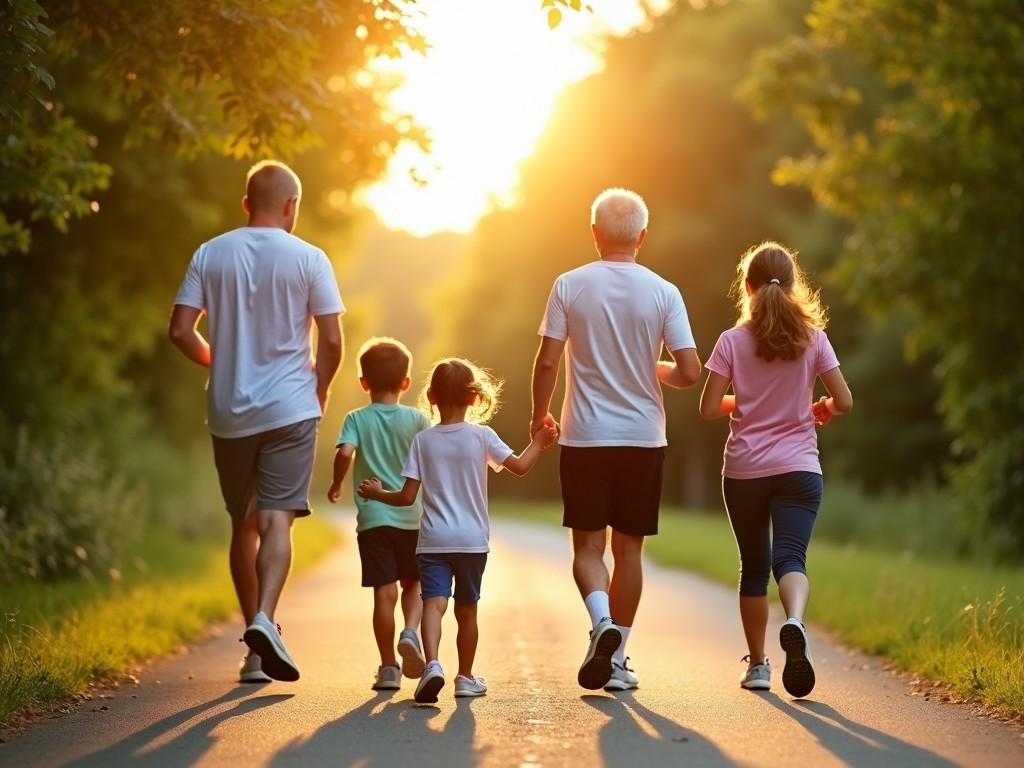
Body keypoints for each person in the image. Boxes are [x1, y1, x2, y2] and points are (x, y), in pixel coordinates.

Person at [169, 160, 344, 683]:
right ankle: (267, 619)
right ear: (292, 207)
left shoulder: (210, 252)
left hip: (229, 410)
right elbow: (332, 341)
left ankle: (253, 649)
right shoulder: (310, 258)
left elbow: (180, 330)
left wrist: (217, 361)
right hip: (291, 407)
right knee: (276, 520)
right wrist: (321, 386)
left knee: (243, 524)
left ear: (247, 203)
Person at [531, 188, 701, 692]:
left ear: (594, 233)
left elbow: (546, 360)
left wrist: (539, 415)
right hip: (643, 439)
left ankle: (600, 622)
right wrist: (654, 367)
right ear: (642, 237)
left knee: (587, 546)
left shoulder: (569, 285)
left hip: (584, 437)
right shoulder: (664, 291)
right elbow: (691, 371)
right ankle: (618, 657)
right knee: (629, 554)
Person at [698, 241, 853, 698]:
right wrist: (818, 405)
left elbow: (708, 408)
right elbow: (844, 401)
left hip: (745, 470)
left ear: (746, 287)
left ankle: (760, 666)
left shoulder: (731, 341)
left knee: (753, 567)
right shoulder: (814, 337)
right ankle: (795, 620)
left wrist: (745, 399)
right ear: (793, 285)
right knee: (791, 559)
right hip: (800, 469)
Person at [358, 358, 557, 703]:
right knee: (467, 610)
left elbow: (407, 498)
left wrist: (377, 494)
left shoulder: (423, 441)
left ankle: (433, 664)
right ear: (473, 397)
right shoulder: (482, 436)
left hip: (433, 541)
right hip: (471, 542)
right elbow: (521, 467)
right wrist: (539, 442)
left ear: (431, 397)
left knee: (433, 604)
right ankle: (465, 677)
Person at [327, 337, 431, 691]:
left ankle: (388, 667)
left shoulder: (356, 417)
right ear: (405, 383)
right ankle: (411, 631)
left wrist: (337, 484)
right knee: (415, 584)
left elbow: (345, 453)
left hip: (373, 519)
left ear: (363, 382)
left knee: (384, 594)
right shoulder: (418, 419)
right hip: (413, 517)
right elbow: (431, 459)